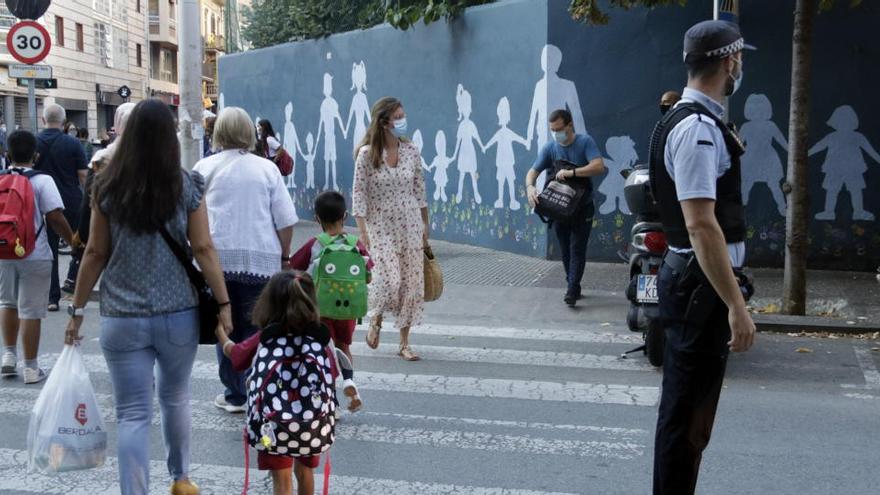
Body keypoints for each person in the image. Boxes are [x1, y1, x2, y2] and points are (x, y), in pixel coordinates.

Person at [64, 99, 233, 495]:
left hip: (122, 315)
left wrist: (75, 310)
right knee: (175, 397)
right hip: (178, 313)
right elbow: (204, 247)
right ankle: (180, 479)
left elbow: (94, 253)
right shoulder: (186, 184)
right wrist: (223, 304)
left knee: (132, 414)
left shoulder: (105, 186)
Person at [649, 20, 756, 494]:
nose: (740, 65)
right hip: (701, 288)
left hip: (694, 283)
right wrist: (736, 305)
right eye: (739, 58)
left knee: (689, 418)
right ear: (729, 61)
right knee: (686, 421)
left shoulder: (691, 119)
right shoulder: (697, 128)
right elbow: (700, 224)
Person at [193, 106, 298, 414]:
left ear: (219, 132)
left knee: (223, 326)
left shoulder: (203, 167)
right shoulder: (267, 169)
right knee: (255, 329)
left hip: (216, 262)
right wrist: (285, 255)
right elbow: (286, 219)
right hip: (262, 261)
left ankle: (234, 393)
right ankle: (259, 388)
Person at [215, 271, 333, 495]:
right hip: (311, 421)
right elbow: (332, 374)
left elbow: (237, 356)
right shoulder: (318, 339)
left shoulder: (267, 338)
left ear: (269, 303)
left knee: (282, 479)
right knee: (305, 472)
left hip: (273, 422)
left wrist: (220, 333)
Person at [352, 97, 429, 362]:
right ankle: (376, 317)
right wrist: (363, 232)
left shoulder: (411, 151)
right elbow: (359, 194)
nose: (402, 120)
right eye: (397, 116)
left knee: (410, 283)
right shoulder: (366, 155)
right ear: (384, 122)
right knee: (389, 279)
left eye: (402, 115)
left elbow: (419, 188)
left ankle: (404, 343)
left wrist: (425, 222)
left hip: (409, 222)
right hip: (380, 224)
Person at [0, 130, 79, 384]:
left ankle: (9, 357)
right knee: (31, 310)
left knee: (7, 303)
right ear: (36, 155)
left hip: (3, 250)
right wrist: (72, 240)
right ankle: (31, 368)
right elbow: (55, 217)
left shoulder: (1, 179)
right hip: (35, 253)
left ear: (7, 154)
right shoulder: (43, 180)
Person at [291, 191, 371, 412]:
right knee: (344, 346)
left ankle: (330, 401)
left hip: (321, 310)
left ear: (316, 218)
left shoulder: (315, 244)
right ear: (345, 216)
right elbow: (369, 272)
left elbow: (294, 268)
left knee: (323, 352)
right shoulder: (356, 244)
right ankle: (348, 379)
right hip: (349, 311)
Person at [525, 109, 606, 307]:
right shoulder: (550, 148)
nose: (555, 133)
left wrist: (572, 173)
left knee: (577, 248)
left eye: (559, 129)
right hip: (559, 208)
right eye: (552, 130)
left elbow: (598, 166)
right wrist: (530, 188)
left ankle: (572, 287)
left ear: (569, 125)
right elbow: (532, 172)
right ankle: (572, 283)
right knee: (565, 249)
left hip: (582, 207)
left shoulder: (585, 142)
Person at [34, 104, 87, 311]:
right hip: (71, 202)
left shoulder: (35, 142)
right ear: (64, 123)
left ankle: (51, 298)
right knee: (81, 243)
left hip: (43, 205)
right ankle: (74, 284)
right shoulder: (73, 143)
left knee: (50, 250)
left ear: (43, 120)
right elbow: (83, 175)